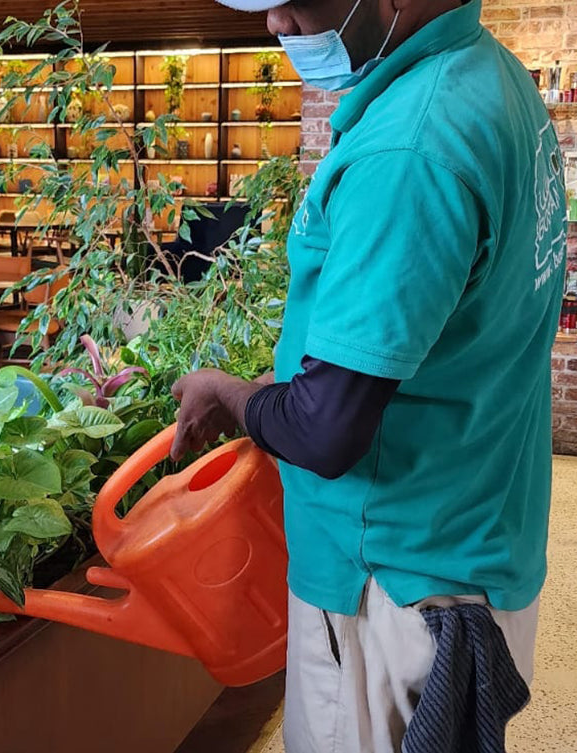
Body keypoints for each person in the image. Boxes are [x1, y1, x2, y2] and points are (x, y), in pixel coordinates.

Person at [174, 1, 569, 751]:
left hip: (394, 588)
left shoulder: (408, 151)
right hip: (475, 535)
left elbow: (325, 428)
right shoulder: (490, 79)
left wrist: (228, 391)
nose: (275, 24)